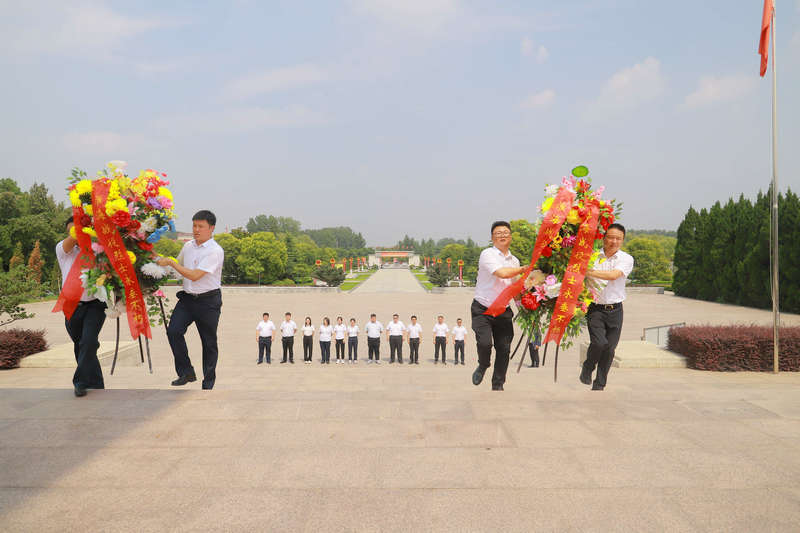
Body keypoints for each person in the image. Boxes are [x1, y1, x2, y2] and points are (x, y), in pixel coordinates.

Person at [158, 210, 224, 390]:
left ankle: (208, 384)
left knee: (208, 343)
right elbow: (178, 268)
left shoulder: (215, 251)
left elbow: (194, 275)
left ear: (211, 228)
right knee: (173, 331)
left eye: (201, 226)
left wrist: (171, 263)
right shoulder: (188, 246)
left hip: (208, 302)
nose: (196, 230)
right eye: (194, 225)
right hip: (187, 299)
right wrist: (157, 265)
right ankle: (186, 372)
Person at [471, 220, 525, 391]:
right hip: (483, 309)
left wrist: (523, 309)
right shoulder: (487, 254)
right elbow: (501, 273)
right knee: (485, 344)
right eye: (498, 233)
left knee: (504, 348)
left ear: (511, 237)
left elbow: (515, 287)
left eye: (505, 233)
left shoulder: (514, 261)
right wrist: (523, 270)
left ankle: (498, 384)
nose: (502, 235)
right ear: (492, 238)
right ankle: (483, 364)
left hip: (503, 311)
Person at [580, 223, 634, 391]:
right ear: (604, 238)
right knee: (599, 343)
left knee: (610, 349)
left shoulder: (626, 259)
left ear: (622, 240)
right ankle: (588, 367)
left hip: (615, 310)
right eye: (610, 237)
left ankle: (599, 384)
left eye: (618, 238)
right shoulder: (593, 257)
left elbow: (613, 275)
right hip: (595, 308)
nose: (614, 241)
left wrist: (588, 272)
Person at [56, 220, 106, 397]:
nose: (75, 234)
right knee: (81, 345)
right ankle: (97, 384)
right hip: (71, 306)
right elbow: (70, 240)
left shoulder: (97, 250)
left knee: (89, 342)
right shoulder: (63, 250)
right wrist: (78, 229)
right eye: (71, 231)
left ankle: (80, 382)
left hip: (95, 305)